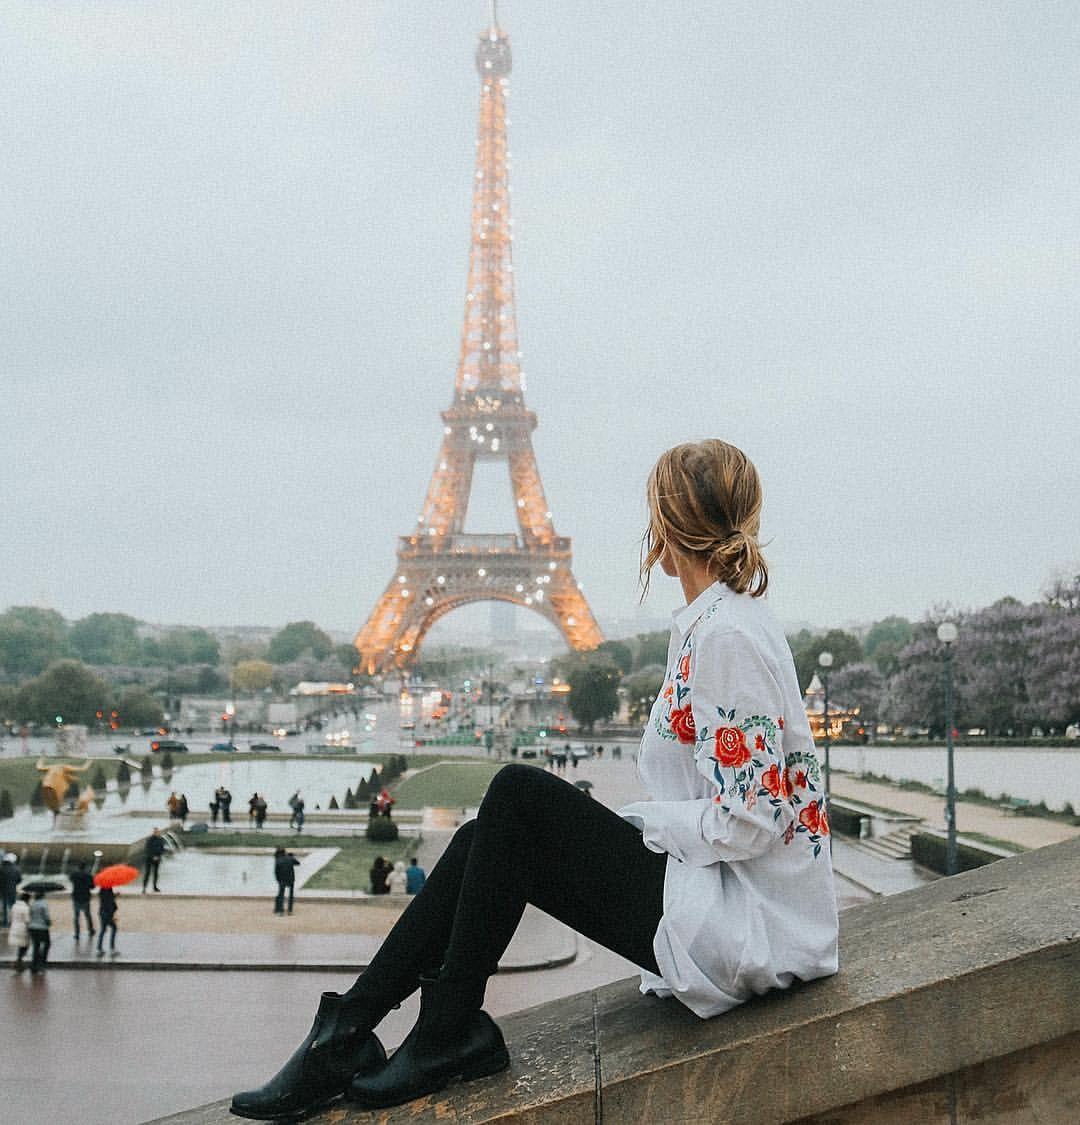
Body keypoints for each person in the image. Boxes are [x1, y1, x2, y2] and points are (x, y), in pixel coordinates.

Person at [230, 440, 839, 1120]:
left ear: (667, 525)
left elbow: (751, 819)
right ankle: (351, 1028)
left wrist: (640, 822)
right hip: (724, 899)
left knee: (518, 794)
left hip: (746, 926)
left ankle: (436, 1027)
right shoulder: (717, 624)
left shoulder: (725, 635)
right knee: (484, 835)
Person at [70, 860, 95, 940]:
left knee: (76, 917)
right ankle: (90, 930)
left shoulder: (74, 875)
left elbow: (71, 880)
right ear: (85, 867)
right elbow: (92, 887)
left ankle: (77, 933)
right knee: (88, 915)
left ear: (78, 867)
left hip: (76, 897)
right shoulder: (88, 875)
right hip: (85, 898)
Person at [28, 890, 51, 974]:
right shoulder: (44, 904)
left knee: (36, 946)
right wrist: (49, 922)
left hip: (32, 927)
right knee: (47, 944)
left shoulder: (32, 904)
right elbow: (46, 916)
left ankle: (34, 964)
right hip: (42, 928)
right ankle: (42, 962)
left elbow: (29, 914)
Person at [273, 848, 300, 915]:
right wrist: (291, 857)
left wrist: (278, 880)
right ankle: (290, 910)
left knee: (281, 895)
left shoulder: (278, 860)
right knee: (291, 895)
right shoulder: (290, 858)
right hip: (291, 879)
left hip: (282, 879)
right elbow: (298, 863)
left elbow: (276, 872)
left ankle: (281, 911)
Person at [8, 892, 30, 970]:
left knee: (21, 946)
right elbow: (27, 920)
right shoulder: (26, 908)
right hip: (22, 929)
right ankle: (18, 962)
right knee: (25, 946)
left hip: (14, 927)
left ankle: (19, 962)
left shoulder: (14, 906)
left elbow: (10, 917)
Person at [97, 885, 118, 955]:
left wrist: (114, 896)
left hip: (102, 912)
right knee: (114, 928)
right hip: (107, 913)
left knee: (103, 930)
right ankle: (112, 948)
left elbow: (107, 899)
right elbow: (110, 901)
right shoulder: (108, 889)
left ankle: (99, 948)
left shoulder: (101, 890)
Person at [1, 852, 20, 928]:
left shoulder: (1, 869)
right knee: (12, 906)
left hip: (2, 890)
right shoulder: (16, 869)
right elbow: (19, 879)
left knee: (4, 907)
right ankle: (12, 921)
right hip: (12, 890)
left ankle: (5, 922)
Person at [143, 827, 166, 892]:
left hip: (157, 858)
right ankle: (144, 887)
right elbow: (147, 849)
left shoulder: (161, 839)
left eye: (158, 832)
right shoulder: (149, 839)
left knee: (156, 873)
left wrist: (158, 856)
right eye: (155, 832)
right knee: (147, 873)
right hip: (149, 859)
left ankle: (155, 887)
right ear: (153, 833)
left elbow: (162, 849)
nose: (157, 833)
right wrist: (153, 856)